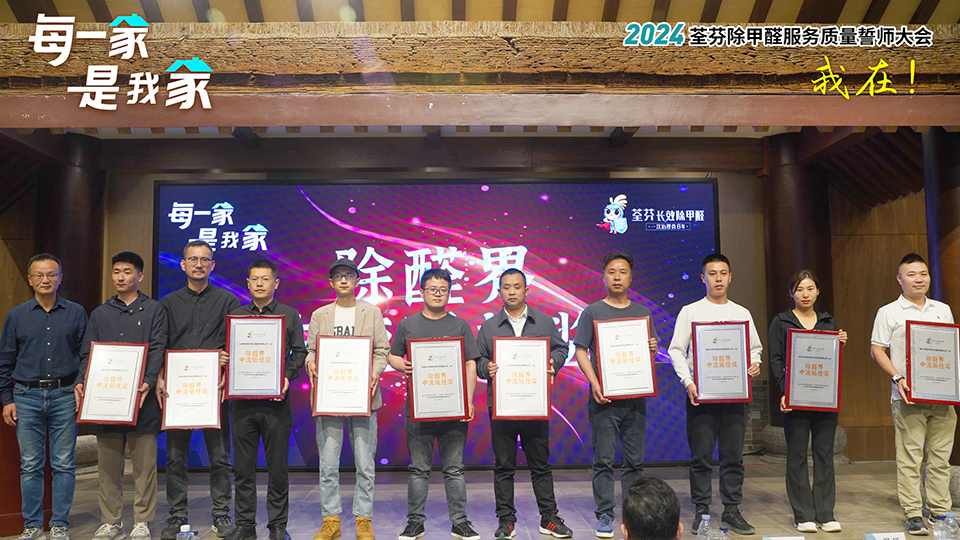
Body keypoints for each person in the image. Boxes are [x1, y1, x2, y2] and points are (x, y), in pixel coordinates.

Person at [75, 252, 168, 540]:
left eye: (127, 272)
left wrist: (148, 381)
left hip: (142, 399)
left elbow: (158, 348)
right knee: (108, 467)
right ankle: (111, 521)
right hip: (107, 400)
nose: (120, 277)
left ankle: (142, 521)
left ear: (140, 276)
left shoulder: (154, 310)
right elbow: (88, 352)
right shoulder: (100, 313)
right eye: (116, 271)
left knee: (144, 467)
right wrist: (81, 381)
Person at [668, 253, 762, 536]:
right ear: (703, 278)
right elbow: (676, 350)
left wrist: (754, 364)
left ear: (730, 277)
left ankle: (732, 510)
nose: (718, 279)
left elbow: (754, 348)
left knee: (733, 457)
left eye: (723, 273)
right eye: (712, 273)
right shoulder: (690, 311)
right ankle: (702, 512)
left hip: (735, 395)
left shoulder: (742, 313)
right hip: (701, 395)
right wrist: (688, 381)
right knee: (701, 457)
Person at [476, 268, 573, 539]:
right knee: (504, 466)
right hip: (502, 406)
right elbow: (478, 358)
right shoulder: (489, 326)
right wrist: (487, 368)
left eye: (517, 286)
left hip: (534, 404)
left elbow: (561, 348)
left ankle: (549, 518)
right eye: (506, 287)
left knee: (540, 465)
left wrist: (554, 362)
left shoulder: (544, 321)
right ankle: (506, 520)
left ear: (526, 290)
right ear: (499, 291)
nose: (512, 292)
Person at [387, 268, 480, 540]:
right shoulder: (408, 324)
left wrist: (468, 399)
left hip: (454, 408)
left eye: (443, 290)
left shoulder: (460, 326)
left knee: (454, 469)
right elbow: (393, 355)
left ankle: (460, 523)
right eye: (432, 289)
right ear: (421, 292)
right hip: (420, 409)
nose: (438, 294)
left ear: (449, 293)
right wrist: (401, 364)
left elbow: (470, 364)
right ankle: (415, 523)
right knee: (419, 469)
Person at [0, 253, 88, 540]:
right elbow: (5, 360)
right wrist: (7, 399)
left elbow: (86, 355)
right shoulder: (16, 316)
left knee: (64, 464)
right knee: (30, 465)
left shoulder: (76, 313)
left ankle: (59, 523)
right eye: (39, 275)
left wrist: (80, 385)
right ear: (30, 280)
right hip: (26, 396)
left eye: (51, 274)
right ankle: (32, 525)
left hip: (64, 395)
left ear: (60, 278)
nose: (45, 280)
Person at [157, 240, 240, 539]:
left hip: (213, 389)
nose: (199, 264)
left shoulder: (227, 300)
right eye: (193, 259)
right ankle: (177, 515)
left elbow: (236, 342)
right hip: (178, 389)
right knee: (176, 457)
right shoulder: (167, 303)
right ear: (183, 264)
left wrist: (226, 359)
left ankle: (221, 513)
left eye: (205, 260)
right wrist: (160, 376)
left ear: (212, 265)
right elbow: (160, 344)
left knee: (220, 457)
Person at [573, 251, 659, 538]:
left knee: (635, 462)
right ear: (604, 277)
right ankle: (605, 514)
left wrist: (651, 348)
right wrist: (595, 382)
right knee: (604, 461)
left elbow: (648, 352)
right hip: (604, 401)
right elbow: (580, 351)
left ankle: (634, 516)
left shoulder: (642, 313)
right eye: (612, 272)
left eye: (623, 272)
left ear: (631, 278)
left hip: (635, 400)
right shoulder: (592, 312)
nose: (617, 277)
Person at [871, 253, 955, 536]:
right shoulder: (888, 312)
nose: (919, 279)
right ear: (899, 279)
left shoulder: (942, 309)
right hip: (907, 396)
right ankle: (913, 513)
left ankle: (940, 510)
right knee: (910, 458)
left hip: (942, 396)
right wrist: (898, 377)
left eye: (923, 274)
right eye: (911, 274)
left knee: (941, 458)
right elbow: (877, 349)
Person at [305, 259, 389, 540]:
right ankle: (331, 519)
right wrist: (310, 362)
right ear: (331, 282)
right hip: (329, 398)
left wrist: (375, 371)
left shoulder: (371, 312)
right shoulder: (320, 314)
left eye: (349, 275)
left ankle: (363, 519)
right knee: (328, 464)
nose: (343, 280)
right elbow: (311, 350)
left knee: (365, 463)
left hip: (363, 397)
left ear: (357, 281)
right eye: (338, 276)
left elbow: (381, 350)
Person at [223, 259, 306, 540]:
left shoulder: (289, 315)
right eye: (255, 279)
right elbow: (227, 351)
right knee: (243, 469)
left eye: (265, 279)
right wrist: (223, 359)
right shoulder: (235, 316)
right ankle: (245, 525)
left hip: (276, 402)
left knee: (278, 468)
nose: (260, 283)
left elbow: (299, 352)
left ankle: (277, 526)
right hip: (242, 403)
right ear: (248, 283)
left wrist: (287, 375)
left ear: (276, 283)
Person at [768, 270, 846, 534]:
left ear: (817, 292)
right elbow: (776, 360)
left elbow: (831, 360)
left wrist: (840, 344)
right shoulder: (781, 321)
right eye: (799, 289)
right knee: (797, 455)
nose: (805, 294)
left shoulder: (828, 321)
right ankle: (802, 514)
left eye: (810, 288)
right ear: (791, 293)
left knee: (824, 454)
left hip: (824, 399)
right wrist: (785, 393)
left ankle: (825, 513)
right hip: (795, 399)